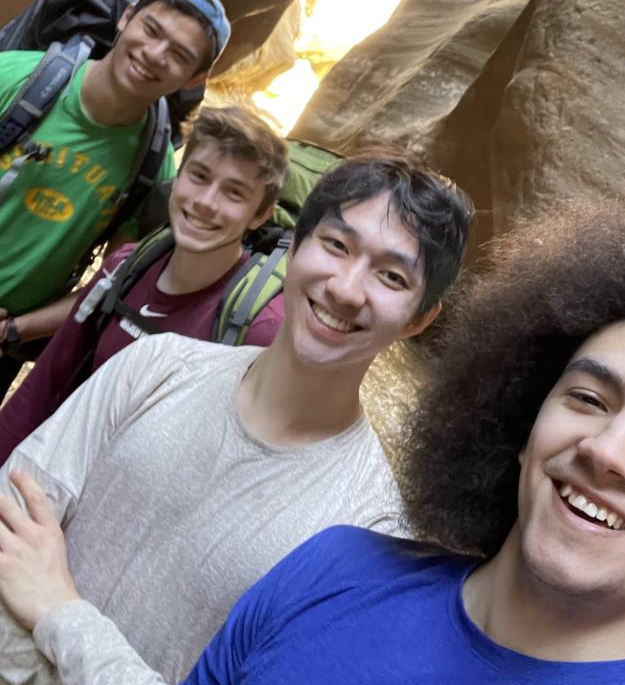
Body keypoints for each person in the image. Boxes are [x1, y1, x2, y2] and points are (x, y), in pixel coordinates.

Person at [0, 191, 625, 685]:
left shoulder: (363, 508)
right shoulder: (336, 568)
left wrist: (63, 613)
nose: (608, 450)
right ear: (519, 418)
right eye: (587, 396)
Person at [0, 154, 473, 685]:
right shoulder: (155, 366)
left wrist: (59, 613)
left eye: (390, 275)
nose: (345, 287)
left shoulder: (372, 531)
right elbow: (8, 536)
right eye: (336, 245)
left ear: (419, 318)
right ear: (295, 247)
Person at [0, 103, 289, 461]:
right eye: (198, 176)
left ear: (260, 214)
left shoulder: (259, 330)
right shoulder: (125, 267)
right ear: (178, 178)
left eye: (234, 193)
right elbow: (46, 385)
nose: (205, 203)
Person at [0, 0, 232, 398]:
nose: (154, 55)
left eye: (178, 54)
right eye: (151, 30)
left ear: (193, 77)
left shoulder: (153, 167)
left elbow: (116, 282)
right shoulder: (16, 79)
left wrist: (16, 330)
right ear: (126, 18)